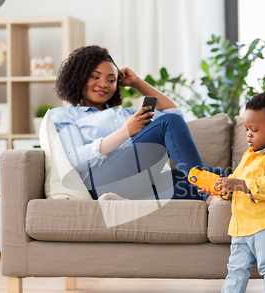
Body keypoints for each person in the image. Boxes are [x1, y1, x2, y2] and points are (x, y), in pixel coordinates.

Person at [51, 45, 223, 200]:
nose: (103, 84)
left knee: (218, 176)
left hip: (141, 183)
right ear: (78, 78)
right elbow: (74, 159)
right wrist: (125, 131)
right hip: (100, 183)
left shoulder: (126, 113)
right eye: (95, 77)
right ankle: (202, 184)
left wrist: (137, 83)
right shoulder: (65, 115)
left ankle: (131, 204)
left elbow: (175, 114)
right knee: (205, 179)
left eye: (111, 80)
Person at [201, 91, 265, 293]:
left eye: (254, 129)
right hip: (243, 224)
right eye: (246, 129)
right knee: (236, 267)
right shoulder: (248, 155)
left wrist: (240, 183)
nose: (248, 135)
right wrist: (222, 189)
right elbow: (238, 183)